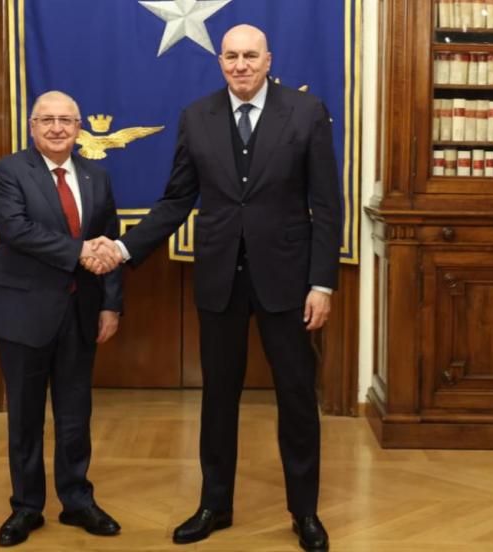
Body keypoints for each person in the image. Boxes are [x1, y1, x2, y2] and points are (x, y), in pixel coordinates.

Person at [92, 24, 341, 552]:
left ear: (268, 60)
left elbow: (326, 204)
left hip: (289, 281)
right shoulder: (196, 116)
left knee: (297, 397)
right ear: (220, 62)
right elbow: (176, 199)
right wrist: (124, 249)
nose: (241, 65)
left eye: (250, 55)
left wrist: (322, 283)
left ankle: (305, 512)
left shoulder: (306, 112)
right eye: (231, 56)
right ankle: (214, 505)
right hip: (220, 278)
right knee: (218, 397)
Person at [0, 91, 124, 547]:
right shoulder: (7, 171)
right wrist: (79, 251)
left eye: (66, 120)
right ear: (32, 126)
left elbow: (109, 241)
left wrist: (110, 304)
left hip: (80, 313)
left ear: (79, 127)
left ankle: (77, 500)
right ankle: (26, 507)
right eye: (47, 120)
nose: (57, 128)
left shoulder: (96, 175)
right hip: (23, 313)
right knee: (25, 417)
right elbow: (16, 230)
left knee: (75, 415)